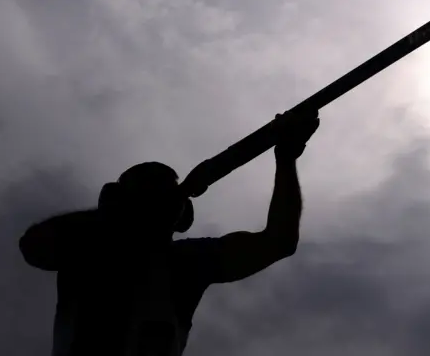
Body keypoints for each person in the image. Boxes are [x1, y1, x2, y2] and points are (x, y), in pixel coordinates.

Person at [18, 111, 321, 356]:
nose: (154, 201)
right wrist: (111, 216)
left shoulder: (187, 263)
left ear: (182, 214)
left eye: (163, 191)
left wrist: (286, 158)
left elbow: (279, 241)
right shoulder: (85, 250)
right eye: (145, 191)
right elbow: (33, 247)